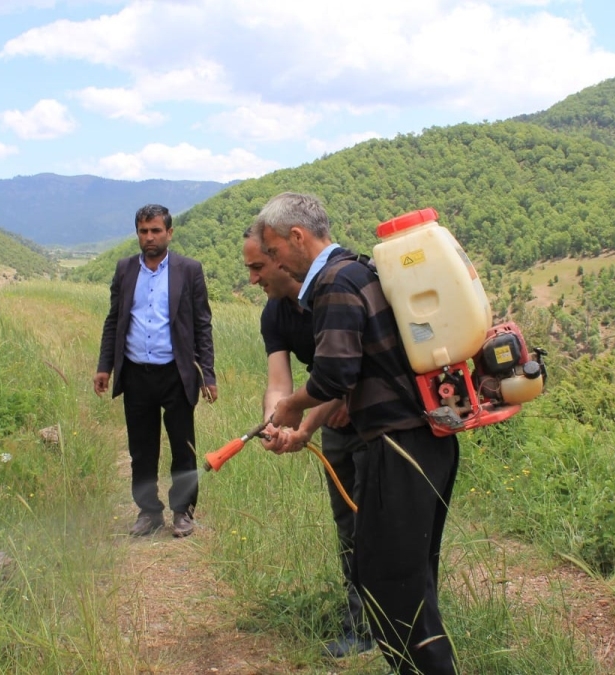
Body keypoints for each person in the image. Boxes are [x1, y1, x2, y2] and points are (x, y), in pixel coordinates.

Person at [252, 193, 459, 675]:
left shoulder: (334, 282)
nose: (275, 263)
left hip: (397, 446)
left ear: (297, 237)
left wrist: (290, 408)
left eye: (274, 251)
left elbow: (334, 375)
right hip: (424, 442)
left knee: (390, 588)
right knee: (411, 582)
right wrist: (304, 425)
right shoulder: (358, 270)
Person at [242, 229, 375, 659]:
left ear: (281, 258)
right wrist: (275, 423)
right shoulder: (274, 314)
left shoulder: (332, 293)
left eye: (259, 266)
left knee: (377, 523)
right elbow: (279, 384)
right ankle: (361, 626)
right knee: (349, 525)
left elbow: (340, 374)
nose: (253, 278)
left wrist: (305, 424)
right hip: (334, 424)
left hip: (375, 424)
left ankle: (389, 624)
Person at [94, 204, 218, 538]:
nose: (149, 237)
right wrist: (105, 365)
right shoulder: (125, 270)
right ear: (137, 233)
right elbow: (114, 320)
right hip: (136, 372)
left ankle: (183, 512)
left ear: (169, 233)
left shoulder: (188, 270)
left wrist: (207, 374)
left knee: (183, 446)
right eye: (143, 231)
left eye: (156, 231)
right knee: (141, 449)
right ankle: (149, 512)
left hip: (176, 374)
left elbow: (202, 325)